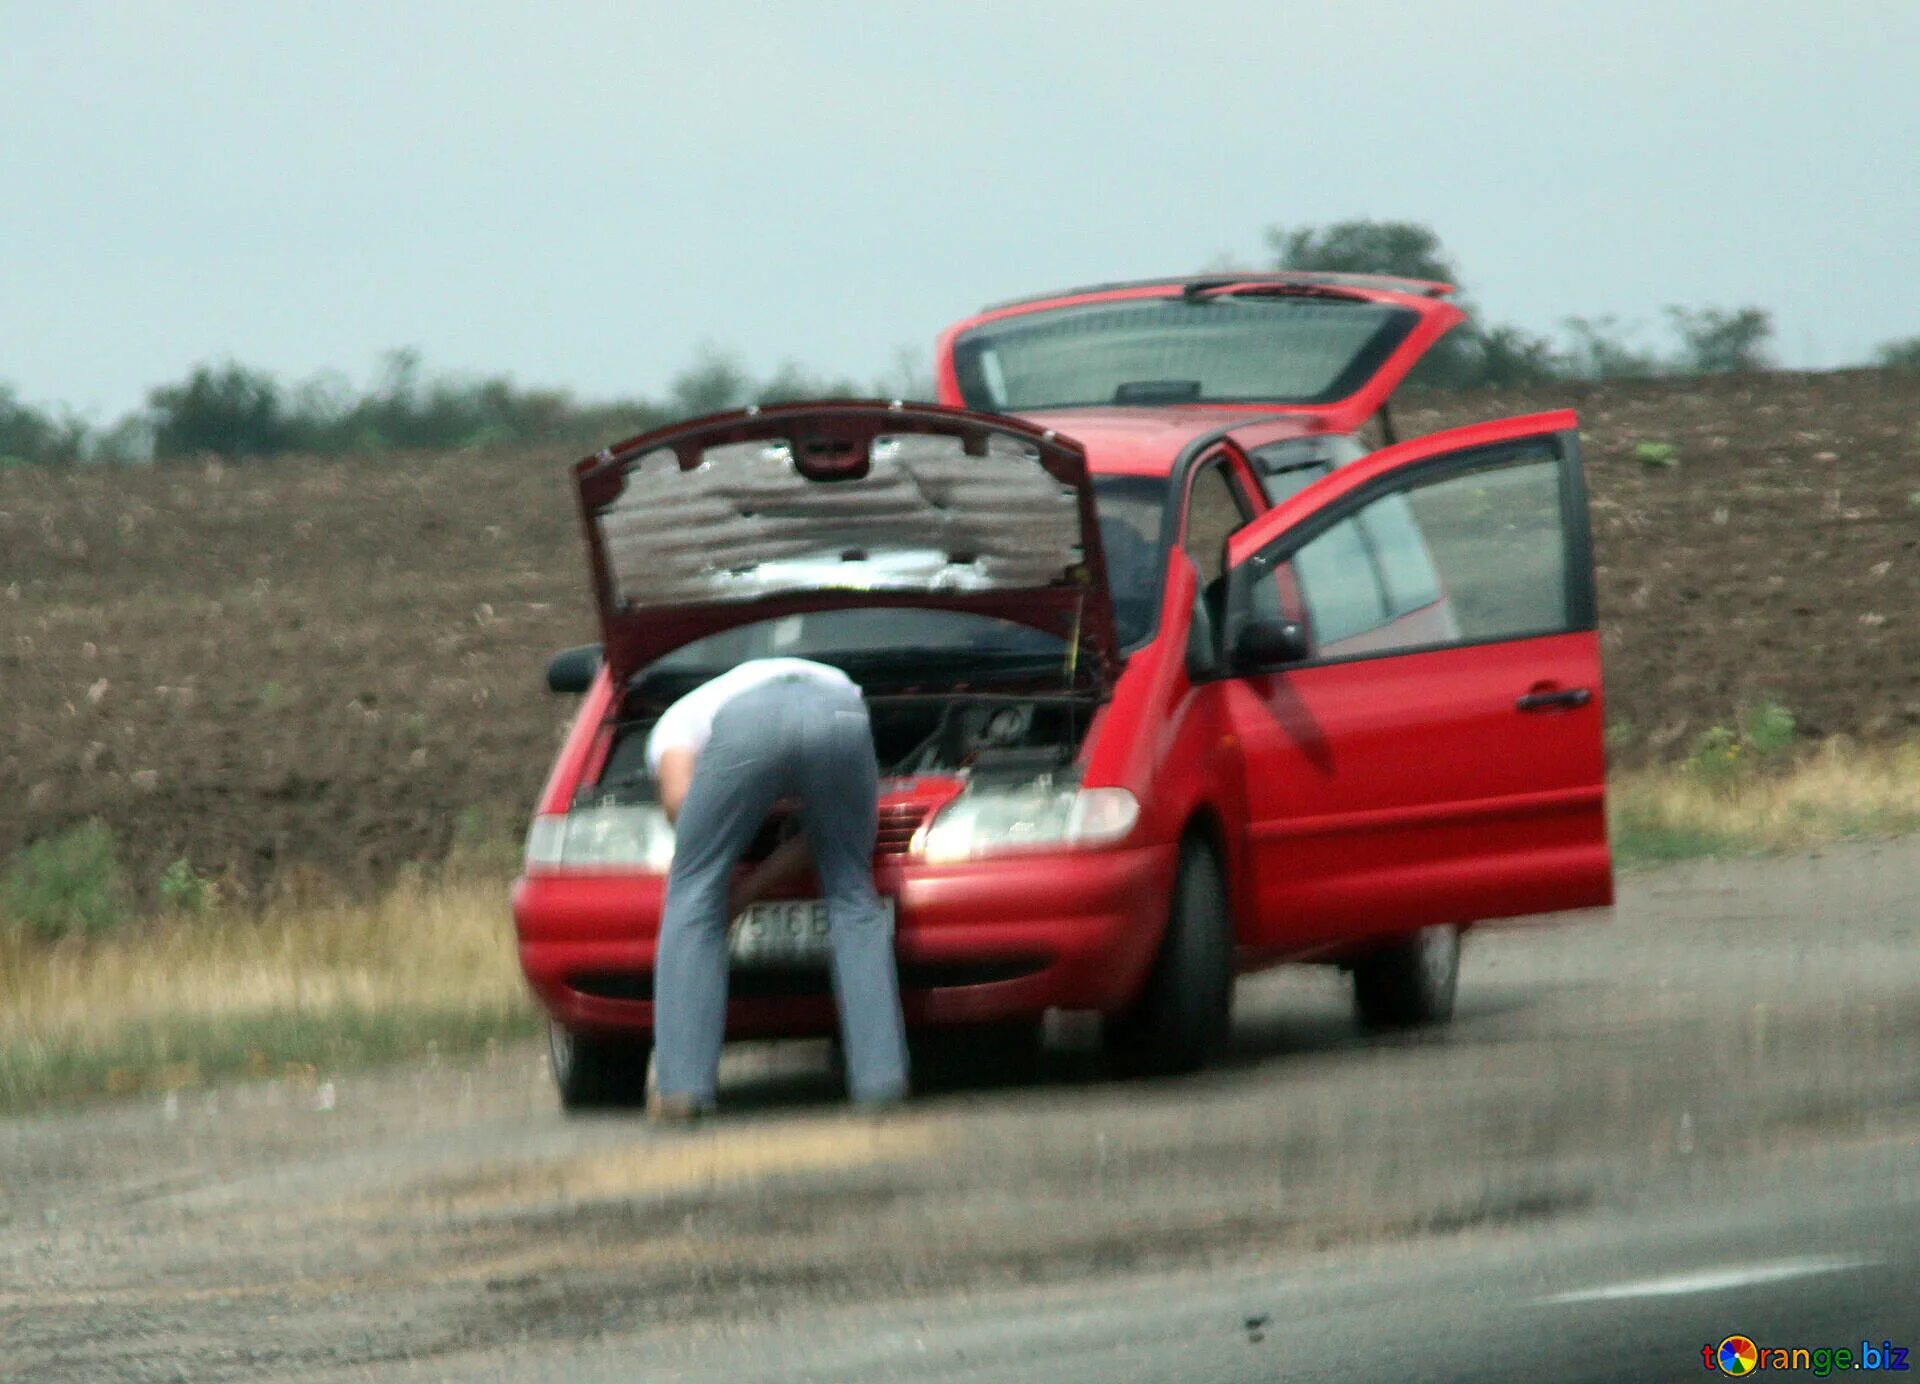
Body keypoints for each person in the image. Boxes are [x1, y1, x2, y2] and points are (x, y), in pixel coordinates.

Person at [646, 656, 908, 1118]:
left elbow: (682, 811)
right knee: (851, 888)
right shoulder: (811, 683)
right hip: (842, 708)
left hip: (751, 723)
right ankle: (881, 1079)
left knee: (692, 886)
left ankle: (682, 1089)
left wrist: (732, 887)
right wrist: (752, 889)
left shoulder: (673, 726)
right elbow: (822, 840)